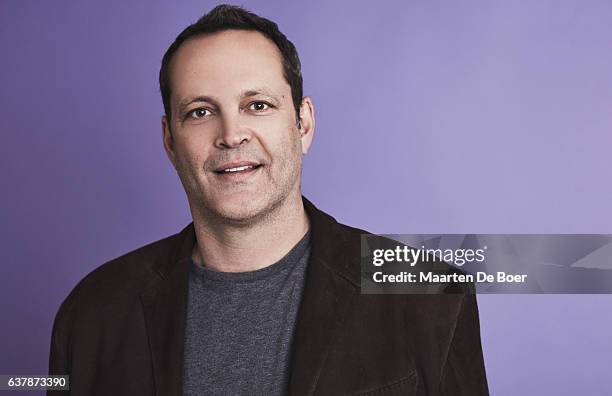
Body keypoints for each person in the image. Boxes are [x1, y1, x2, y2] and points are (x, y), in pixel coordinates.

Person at [48, 4, 488, 395]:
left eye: (257, 105)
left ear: (304, 125)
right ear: (169, 141)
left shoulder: (432, 296)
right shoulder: (92, 313)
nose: (231, 134)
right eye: (200, 111)